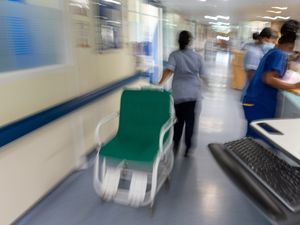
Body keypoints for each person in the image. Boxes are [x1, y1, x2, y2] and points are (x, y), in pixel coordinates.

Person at [242, 31, 300, 138]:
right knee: (259, 140)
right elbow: (268, 79)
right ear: (291, 45)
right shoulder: (279, 54)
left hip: (253, 99)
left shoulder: (273, 51)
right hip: (260, 103)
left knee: (253, 137)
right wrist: (294, 86)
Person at [158, 30, 205, 157]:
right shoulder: (198, 57)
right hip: (193, 94)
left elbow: (169, 70)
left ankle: (176, 143)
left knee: (178, 121)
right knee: (191, 122)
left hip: (178, 94)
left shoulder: (174, 55)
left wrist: (160, 83)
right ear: (190, 41)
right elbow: (203, 74)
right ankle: (188, 148)